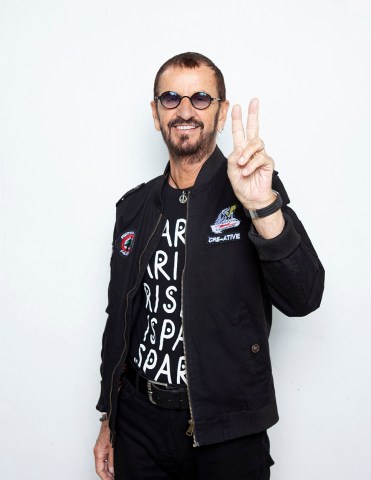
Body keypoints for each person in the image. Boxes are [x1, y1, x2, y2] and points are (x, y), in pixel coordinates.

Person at [93, 52, 325, 480]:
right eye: (171, 98)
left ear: (220, 112)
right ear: (155, 113)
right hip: (139, 423)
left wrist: (262, 207)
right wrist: (108, 416)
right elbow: (119, 319)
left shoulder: (255, 191)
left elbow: (304, 297)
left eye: (201, 98)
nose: (185, 110)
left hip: (227, 428)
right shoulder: (134, 208)